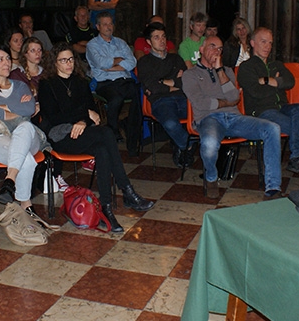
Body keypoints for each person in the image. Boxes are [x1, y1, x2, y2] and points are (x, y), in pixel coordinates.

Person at [39, 42, 154, 232]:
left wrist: (83, 120)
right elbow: (53, 117)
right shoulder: (46, 85)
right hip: (60, 137)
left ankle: (106, 208)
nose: (68, 63)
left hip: (83, 134)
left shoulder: (81, 81)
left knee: (102, 149)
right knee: (107, 132)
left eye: (70, 59)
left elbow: (90, 111)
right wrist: (82, 117)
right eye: (63, 60)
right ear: (55, 63)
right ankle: (126, 190)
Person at [182, 36, 283, 200]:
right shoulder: (190, 74)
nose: (217, 51)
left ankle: (273, 187)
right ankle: (211, 178)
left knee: (272, 128)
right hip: (209, 119)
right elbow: (201, 103)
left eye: (220, 48)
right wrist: (224, 103)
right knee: (209, 144)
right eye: (212, 46)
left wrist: (220, 70)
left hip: (234, 118)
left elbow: (234, 97)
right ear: (201, 49)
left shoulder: (227, 71)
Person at [0, 45, 50, 213]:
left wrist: (3, 108)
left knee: (25, 126)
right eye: (0, 59)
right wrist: (15, 108)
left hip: (28, 136)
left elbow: (29, 109)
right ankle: (25, 204)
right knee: (26, 160)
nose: (7, 62)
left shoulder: (21, 86)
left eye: (8, 58)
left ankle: (10, 179)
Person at [238, 27, 299, 186]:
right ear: (253, 43)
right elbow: (256, 92)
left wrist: (267, 81)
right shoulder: (246, 67)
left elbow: (290, 81)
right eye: (263, 42)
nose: (267, 46)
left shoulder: (276, 64)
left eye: (270, 43)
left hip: (282, 107)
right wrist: (277, 83)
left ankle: (297, 157)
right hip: (262, 112)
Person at [9, 36, 70, 192]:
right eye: (32, 50)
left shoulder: (48, 75)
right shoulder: (16, 75)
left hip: (45, 114)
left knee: (55, 126)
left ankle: (54, 174)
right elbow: (13, 100)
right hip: (23, 117)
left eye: (39, 50)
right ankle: (32, 174)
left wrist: (40, 104)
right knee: (37, 124)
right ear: (25, 54)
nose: (37, 53)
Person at [136, 23, 193, 168]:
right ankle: (187, 145)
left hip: (183, 98)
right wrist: (174, 82)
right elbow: (152, 87)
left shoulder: (176, 59)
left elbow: (185, 80)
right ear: (149, 42)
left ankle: (182, 144)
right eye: (156, 37)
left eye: (163, 37)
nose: (161, 40)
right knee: (171, 123)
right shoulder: (144, 62)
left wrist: (163, 82)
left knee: (204, 116)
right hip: (161, 101)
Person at [86, 11, 142, 156]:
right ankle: (113, 130)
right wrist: (119, 60)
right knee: (116, 98)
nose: (108, 27)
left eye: (110, 23)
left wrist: (112, 66)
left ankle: (132, 135)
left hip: (124, 80)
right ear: (98, 27)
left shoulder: (120, 42)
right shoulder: (92, 45)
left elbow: (132, 61)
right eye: (104, 24)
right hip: (105, 83)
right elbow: (100, 63)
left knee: (138, 94)